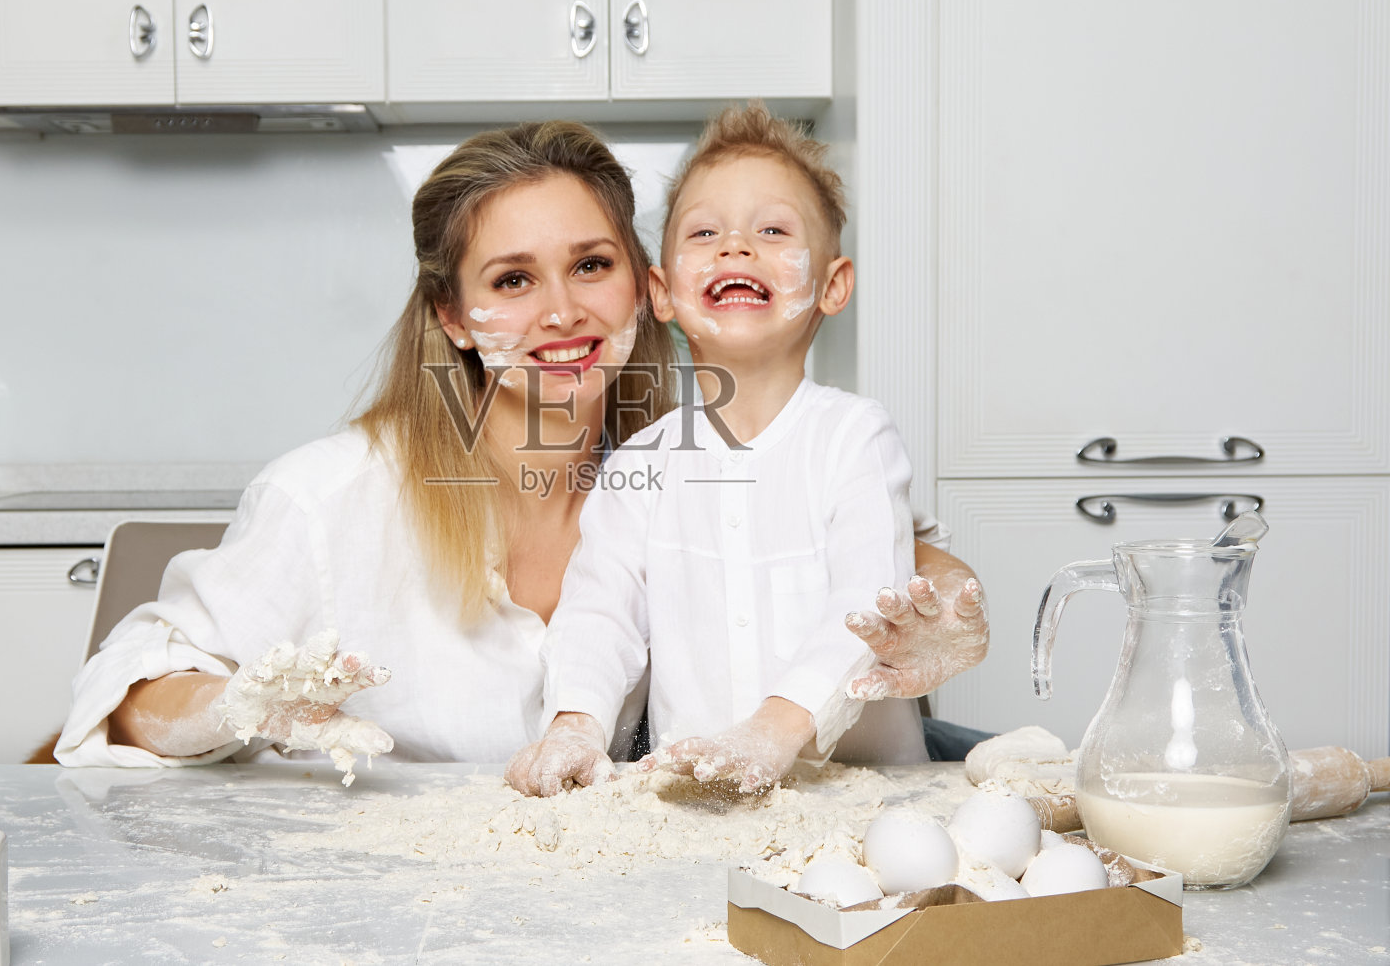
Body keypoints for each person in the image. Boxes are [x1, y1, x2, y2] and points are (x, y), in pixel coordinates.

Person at [55, 119, 985, 771]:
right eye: (511, 279)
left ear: (643, 288)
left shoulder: (663, 461)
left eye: (591, 264)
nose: (562, 311)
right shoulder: (331, 497)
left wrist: (946, 594)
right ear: (455, 316)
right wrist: (240, 705)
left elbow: (856, 545)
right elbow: (133, 684)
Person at [506, 105, 987, 796]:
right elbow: (598, 612)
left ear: (832, 284)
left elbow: (864, 602)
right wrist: (575, 721)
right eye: (705, 232)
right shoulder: (639, 467)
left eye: (772, 230)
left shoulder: (856, 438)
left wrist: (774, 729)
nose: (735, 246)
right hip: (695, 808)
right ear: (662, 292)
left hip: (867, 802)